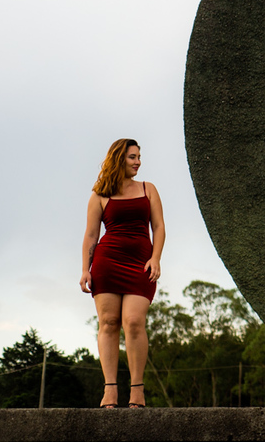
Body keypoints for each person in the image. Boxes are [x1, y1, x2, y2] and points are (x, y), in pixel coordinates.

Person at [80, 138, 165, 409]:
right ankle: (110, 390)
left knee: (134, 321)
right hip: (107, 263)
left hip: (140, 264)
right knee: (108, 322)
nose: (138, 161)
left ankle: (137, 389)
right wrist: (85, 269)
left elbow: (159, 227)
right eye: (132, 157)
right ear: (119, 158)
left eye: (139, 157)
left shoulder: (148, 189)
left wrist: (155, 258)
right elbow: (91, 235)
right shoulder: (99, 195)